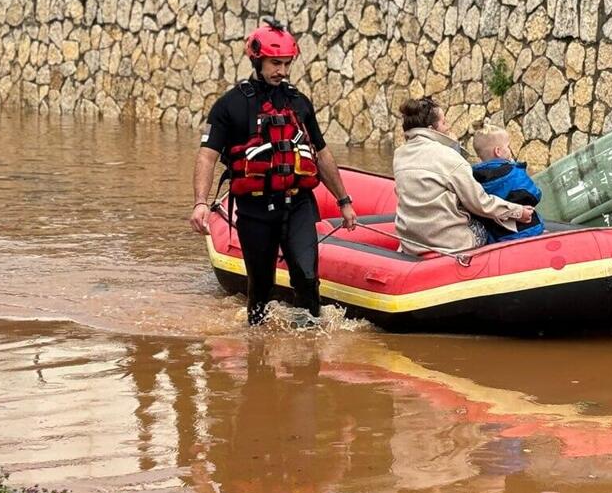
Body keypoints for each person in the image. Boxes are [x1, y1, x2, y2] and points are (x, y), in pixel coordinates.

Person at [189, 19, 356, 326]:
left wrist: (344, 200)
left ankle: (307, 359)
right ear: (257, 60)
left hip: (299, 205)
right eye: (274, 63)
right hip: (255, 210)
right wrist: (201, 202)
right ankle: (258, 359)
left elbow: (321, 153)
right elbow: (207, 156)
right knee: (261, 291)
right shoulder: (230, 106)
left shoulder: (299, 103)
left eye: (286, 63)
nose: (281, 70)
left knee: (307, 278)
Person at [392, 97, 534, 255]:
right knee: (486, 224)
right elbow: (480, 203)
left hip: (411, 243)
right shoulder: (448, 156)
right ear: (432, 129)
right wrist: (517, 211)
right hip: (447, 244)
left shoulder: (399, 154)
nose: (449, 127)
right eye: (444, 122)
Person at [471, 124, 545, 242]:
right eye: (508, 146)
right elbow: (534, 195)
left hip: (498, 238)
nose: (510, 150)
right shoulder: (513, 173)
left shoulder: (474, 178)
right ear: (498, 151)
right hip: (526, 232)